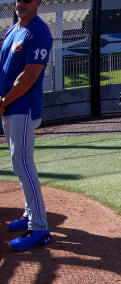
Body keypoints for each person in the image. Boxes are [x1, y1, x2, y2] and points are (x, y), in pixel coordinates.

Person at [0, 0, 53, 251]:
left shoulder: (39, 31)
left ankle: (40, 227)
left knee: (23, 162)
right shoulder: (15, 29)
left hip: (23, 107)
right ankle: (29, 214)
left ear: (38, 2)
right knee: (17, 163)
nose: (21, 3)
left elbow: (29, 76)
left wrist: (4, 100)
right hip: (10, 106)